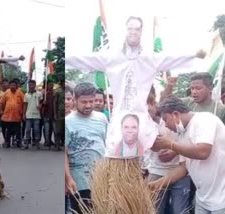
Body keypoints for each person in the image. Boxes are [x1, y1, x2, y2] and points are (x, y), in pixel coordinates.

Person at [66, 16, 206, 156]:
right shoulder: (112, 57)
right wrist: (65, 58)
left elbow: (171, 58)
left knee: (142, 154)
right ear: (125, 31)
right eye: (130, 28)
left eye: (137, 29)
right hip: (119, 115)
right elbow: (85, 59)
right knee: (116, 153)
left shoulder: (149, 58)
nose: (133, 32)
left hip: (141, 117)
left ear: (141, 32)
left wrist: (193, 55)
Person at [150, 96, 225, 214]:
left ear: (175, 114)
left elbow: (203, 152)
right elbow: (182, 169)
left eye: (166, 120)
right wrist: (155, 185)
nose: (165, 125)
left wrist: (170, 144)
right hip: (202, 199)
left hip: (221, 200)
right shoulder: (182, 134)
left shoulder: (204, 120)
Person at [146, 89, 191, 214]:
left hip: (180, 171)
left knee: (180, 210)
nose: (147, 109)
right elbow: (153, 146)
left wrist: (174, 150)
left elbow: (190, 143)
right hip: (157, 171)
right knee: (155, 210)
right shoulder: (142, 124)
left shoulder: (176, 120)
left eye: (149, 104)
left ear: (154, 104)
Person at [65, 82, 107, 214]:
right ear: (75, 100)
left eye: (91, 101)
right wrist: (68, 179)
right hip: (79, 182)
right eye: (84, 102)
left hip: (101, 179)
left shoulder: (102, 118)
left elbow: (106, 145)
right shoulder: (67, 122)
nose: (88, 105)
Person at [0, 79, 24, 148]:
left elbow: (24, 102)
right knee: (8, 130)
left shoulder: (19, 93)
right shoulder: (7, 92)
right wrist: (4, 110)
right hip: (8, 116)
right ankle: (7, 143)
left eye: (14, 85)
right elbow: (2, 103)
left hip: (17, 116)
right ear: (9, 86)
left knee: (18, 130)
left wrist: (22, 112)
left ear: (16, 86)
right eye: (11, 85)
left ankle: (19, 143)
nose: (12, 86)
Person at [23, 80, 43, 149]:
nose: (31, 86)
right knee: (27, 130)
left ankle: (37, 143)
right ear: (28, 86)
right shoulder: (26, 94)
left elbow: (41, 103)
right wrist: (24, 114)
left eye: (32, 85)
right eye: (30, 85)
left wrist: (40, 105)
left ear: (35, 85)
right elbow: (25, 105)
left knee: (36, 130)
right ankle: (26, 144)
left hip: (36, 115)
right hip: (28, 115)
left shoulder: (39, 94)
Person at [41, 81, 54, 148]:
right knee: (46, 128)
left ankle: (49, 140)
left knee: (51, 128)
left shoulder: (54, 93)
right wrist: (43, 103)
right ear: (46, 86)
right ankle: (46, 141)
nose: (51, 86)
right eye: (49, 85)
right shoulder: (44, 94)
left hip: (53, 114)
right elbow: (40, 103)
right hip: (46, 114)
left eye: (52, 85)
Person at [54, 78, 66, 150]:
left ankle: (65, 144)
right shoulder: (58, 91)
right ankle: (57, 145)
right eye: (64, 83)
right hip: (60, 112)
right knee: (58, 130)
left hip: (67, 112)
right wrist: (55, 113)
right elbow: (55, 102)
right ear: (61, 84)